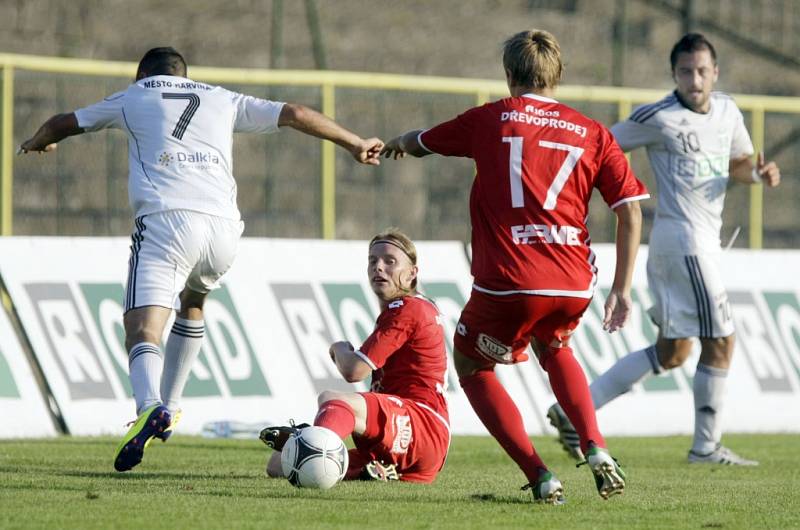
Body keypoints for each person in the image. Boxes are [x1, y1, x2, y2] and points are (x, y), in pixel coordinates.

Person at [19, 47, 384, 472]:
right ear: (185, 75)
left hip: (167, 219)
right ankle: (170, 409)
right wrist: (355, 143)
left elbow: (65, 123)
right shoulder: (221, 97)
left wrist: (36, 142)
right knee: (193, 301)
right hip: (223, 228)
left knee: (141, 328)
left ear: (143, 76)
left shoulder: (134, 97)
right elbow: (296, 112)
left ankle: (149, 405)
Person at [380, 30, 648, 504]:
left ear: (508, 76)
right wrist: (623, 289)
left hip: (510, 280)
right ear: (557, 76)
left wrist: (398, 142)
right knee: (555, 345)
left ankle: (540, 474)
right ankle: (596, 446)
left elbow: (422, 142)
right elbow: (629, 209)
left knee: (471, 364)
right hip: (572, 281)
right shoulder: (593, 131)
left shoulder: (491, 117)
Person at [546, 33, 781, 466]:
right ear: (674, 74)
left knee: (673, 353)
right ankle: (705, 449)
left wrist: (759, 174)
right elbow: (602, 145)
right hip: (683, 243)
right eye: (686, 71)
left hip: (704, 244)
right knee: (722, 341)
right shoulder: (659, 116)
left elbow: (738, 166)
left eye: (702, 71)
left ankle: (572, 411)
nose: (695, 79)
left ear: (715, 73)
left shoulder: (727, 110)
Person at [261, 228, 450, 484]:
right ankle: (375, 471)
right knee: (278, 464)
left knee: (330, 399)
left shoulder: (407, 308)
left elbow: (354, 370)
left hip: (420, 423)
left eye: (390, 261)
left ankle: (312, 440)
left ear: (412, 272)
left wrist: (339, 348)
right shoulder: (410, 309)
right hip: (412, 446)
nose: (379, 267)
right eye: (373, 261)